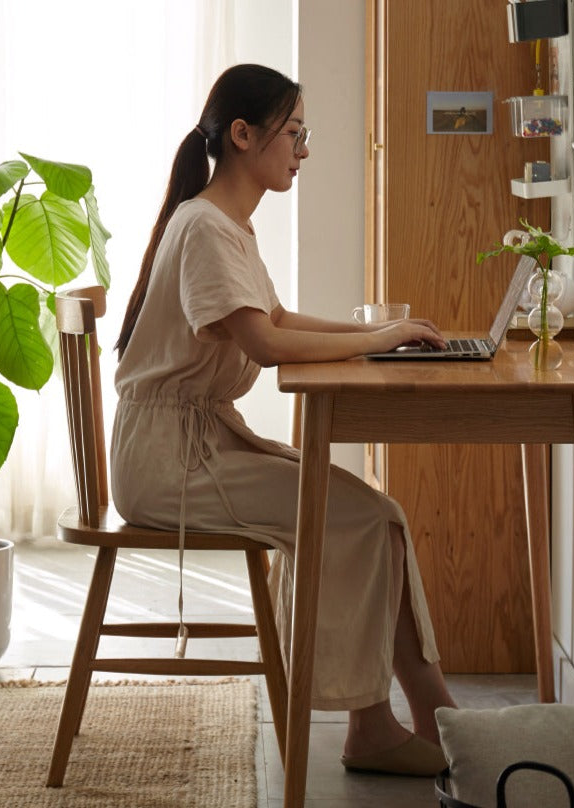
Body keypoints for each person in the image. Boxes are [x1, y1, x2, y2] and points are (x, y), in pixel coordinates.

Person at [111, 63, 456, 777]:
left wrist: (380, 333)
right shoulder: (207, 226)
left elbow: (275, 318)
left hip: (194, 443)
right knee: (363, 517)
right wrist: (376, 341)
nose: (303, 150)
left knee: (374, 515)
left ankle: (421, 716)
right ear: (244, 134)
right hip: (167, 463)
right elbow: (266, 345)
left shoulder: (222, 223)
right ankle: (391, 723)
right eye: (294, 133)